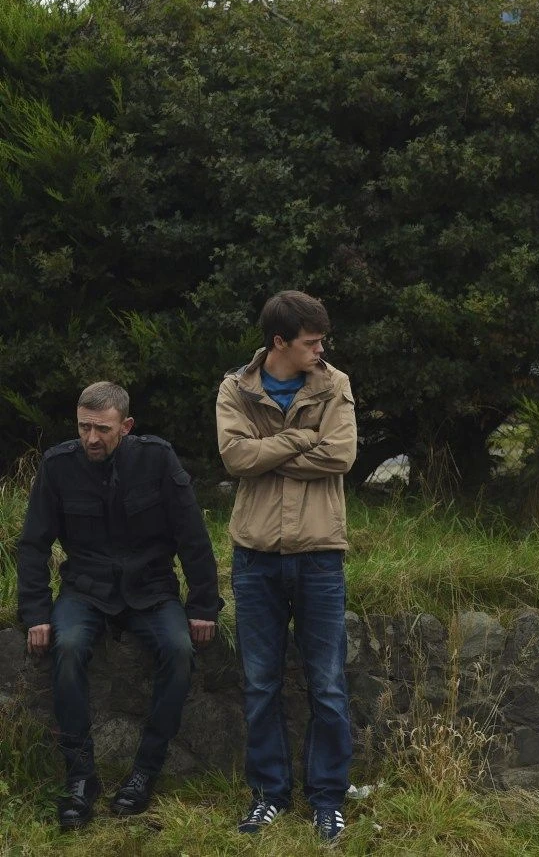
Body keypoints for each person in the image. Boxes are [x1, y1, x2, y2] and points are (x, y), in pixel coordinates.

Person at [16, 382, 221, 830]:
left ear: (125, 426)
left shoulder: (157, 459)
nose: (92, 438)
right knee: (66, 647)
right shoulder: (58, 466)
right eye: (84, 426)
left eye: (102, 429)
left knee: (180, 650)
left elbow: (192, 535)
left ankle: (144, 771)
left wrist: (203, 604)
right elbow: (32, 546)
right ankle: (80, 778)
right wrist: (35, 615)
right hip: (84, 590)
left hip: (151, 590)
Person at [216, 290, 357, 842]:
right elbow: (235, 458)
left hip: (320, 555)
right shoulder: (235, 388)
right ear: (279, 342)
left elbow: (340, 455)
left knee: (326, 684)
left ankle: (327, 798)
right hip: (254, 558)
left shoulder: (334, 383)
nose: (321, 350)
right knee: (259, 683)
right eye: (311, 342)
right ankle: (268, 795)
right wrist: (301, 438)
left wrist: (270, 449)